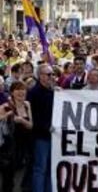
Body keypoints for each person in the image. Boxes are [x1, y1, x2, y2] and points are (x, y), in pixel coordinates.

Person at [0, 81, 33, 192]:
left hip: (25, 147)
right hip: (10, 149)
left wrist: (22, 120)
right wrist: (6, 116)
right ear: (12, 92)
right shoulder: (6, 106)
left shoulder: (27, 105)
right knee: (8, 179)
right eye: (17, 89)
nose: (21, 92)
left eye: (23, 89)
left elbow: (31, 126)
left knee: (25, 173)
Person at [27, 64, 55, 192]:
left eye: (52, 74)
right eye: (49, 74)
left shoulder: (53, 91)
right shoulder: (33, 93)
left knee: (50, 168)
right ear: (41, 76)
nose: (51, 77)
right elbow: (32, 116)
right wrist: (45, 128)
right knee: (40, 168)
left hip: (53, 136)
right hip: (41, 137)